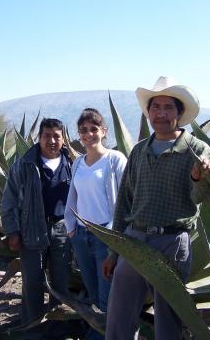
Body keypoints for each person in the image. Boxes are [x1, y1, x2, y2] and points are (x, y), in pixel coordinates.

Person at [102, 77, 210, 340]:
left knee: (168, 319)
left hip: (172, 243)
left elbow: (208, 198)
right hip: (134, 239)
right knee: (119, 315)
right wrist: (113, 251)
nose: (161, 114)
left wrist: (200, 178)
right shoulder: (139, 151)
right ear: (148, 112)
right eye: (156, 107)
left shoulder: (197, 150)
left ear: (179, 113)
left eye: (168, 108)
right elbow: (124, 202)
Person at [1, 118, 73, 339]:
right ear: (39, 138)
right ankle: (32, 332)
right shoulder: (24, 164)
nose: (52, 140)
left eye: (56, 136)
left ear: (63, 139)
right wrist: (12, 232)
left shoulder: (72, 163)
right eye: (47, 135)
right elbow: (9, 200)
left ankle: (58, 330)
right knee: (32, 283)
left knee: (61, 284)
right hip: (32, 228)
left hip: (62, 229)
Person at [64, 108, 127, 337]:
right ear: (78, 135)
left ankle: (103, 334)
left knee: (106, 295)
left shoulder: (115, 160)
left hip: (106, 239)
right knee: (91, 289)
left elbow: (125, 200)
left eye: (93, 129)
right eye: (83, 131)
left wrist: (114, 237)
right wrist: (70, 228)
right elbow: (73, 196)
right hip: (81, 236)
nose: (88, 134)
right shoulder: (78, 163)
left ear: (104, 131)